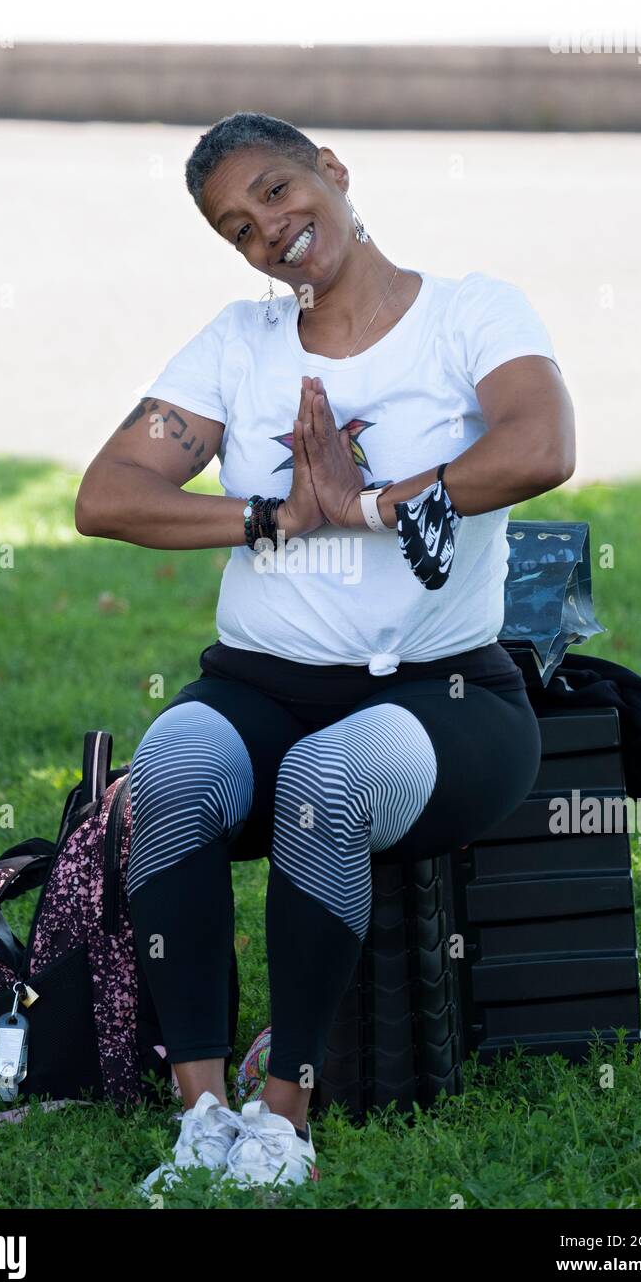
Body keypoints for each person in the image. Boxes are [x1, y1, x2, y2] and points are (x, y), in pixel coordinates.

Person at [75, 111, 576, 1192]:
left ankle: (281, 1119)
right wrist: (270, 516)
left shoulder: (468, 312)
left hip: (443, 699)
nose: (268, 230)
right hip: (256, 686)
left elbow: (539, 445)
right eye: (236, 227)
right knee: (168, 769)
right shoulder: (236, 344)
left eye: (275, 191)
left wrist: (373, 503)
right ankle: (201, 1110)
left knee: (324, 779)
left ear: (332, 171)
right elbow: (106, 494)